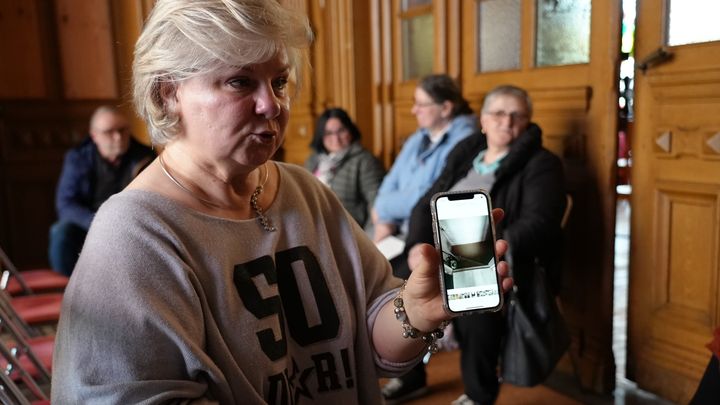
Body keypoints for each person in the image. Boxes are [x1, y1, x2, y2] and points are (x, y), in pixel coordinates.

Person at [50, 1, 513, 404]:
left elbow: (371, 347)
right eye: (239, 82)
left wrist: (415, 313)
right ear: (168, 93)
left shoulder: (303, 190)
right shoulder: (133, 234)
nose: (271, 106)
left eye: (279, 81)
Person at [382, 85, 566, 405]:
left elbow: (538, 225)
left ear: (527, 122)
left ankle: (479, 394)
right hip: (443, 251)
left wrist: (481, 247)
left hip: (499, 256)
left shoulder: (541, 164)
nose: (506, 122)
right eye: (498, 114)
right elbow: (428, 201)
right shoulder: (468, 152)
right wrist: (416, 246)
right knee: (394, 278)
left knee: (477, 297)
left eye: (516, 115)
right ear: (483, 120)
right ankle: (409, 376)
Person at [48, 105, 154, 276]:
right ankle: (64, 292)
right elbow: (65, 204)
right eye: (109, 132)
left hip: (128, 224)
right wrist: (96, 223)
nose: (118, 137)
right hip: (89, 222)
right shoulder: (78, 158)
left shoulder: (146, 157)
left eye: (123, 130)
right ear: (94, 136)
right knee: (60, 232)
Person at [371, 74, 476, 243]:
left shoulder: (465, 142)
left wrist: (382, 207)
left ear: (446, 108)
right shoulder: (417, 137)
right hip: (395, 225)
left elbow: (428, 196)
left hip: (426, 235)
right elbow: (391, 180)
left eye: (421, 105)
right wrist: (385, 220)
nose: (414, 111)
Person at [304, 108, 385, 228]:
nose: (336, 138)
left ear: (350, 131)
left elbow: (377, 203)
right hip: (312, 227)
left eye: (341, 131)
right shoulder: (313, 160)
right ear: (321, 136)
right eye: (329, 133)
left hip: (347, 232)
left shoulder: (365, 161)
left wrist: (369, 240)